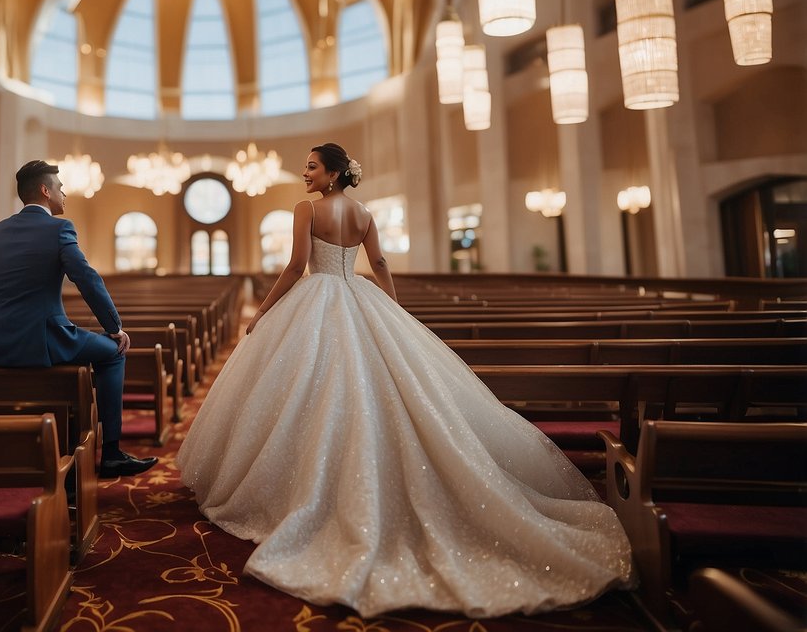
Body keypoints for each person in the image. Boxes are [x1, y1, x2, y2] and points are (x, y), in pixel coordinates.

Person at [176, 143, 634, 618]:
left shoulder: (306, 209)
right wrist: (392, 311)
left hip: (316, 299)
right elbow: (379, 265)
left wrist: (263, 312)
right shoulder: (364, 213)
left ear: (332, 173)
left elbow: (296, 267)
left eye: (312, 166)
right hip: (358, 295)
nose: (304, 172)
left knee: (311, 390)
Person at [0, 159, 157, 479]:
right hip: (46, 342)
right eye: (60, 188)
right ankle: (111, 452)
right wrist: (114, 327)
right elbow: (86, 279)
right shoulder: (60, 228)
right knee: (114, 353)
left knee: (90, 344)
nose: (64, 195)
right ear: (46, 191)